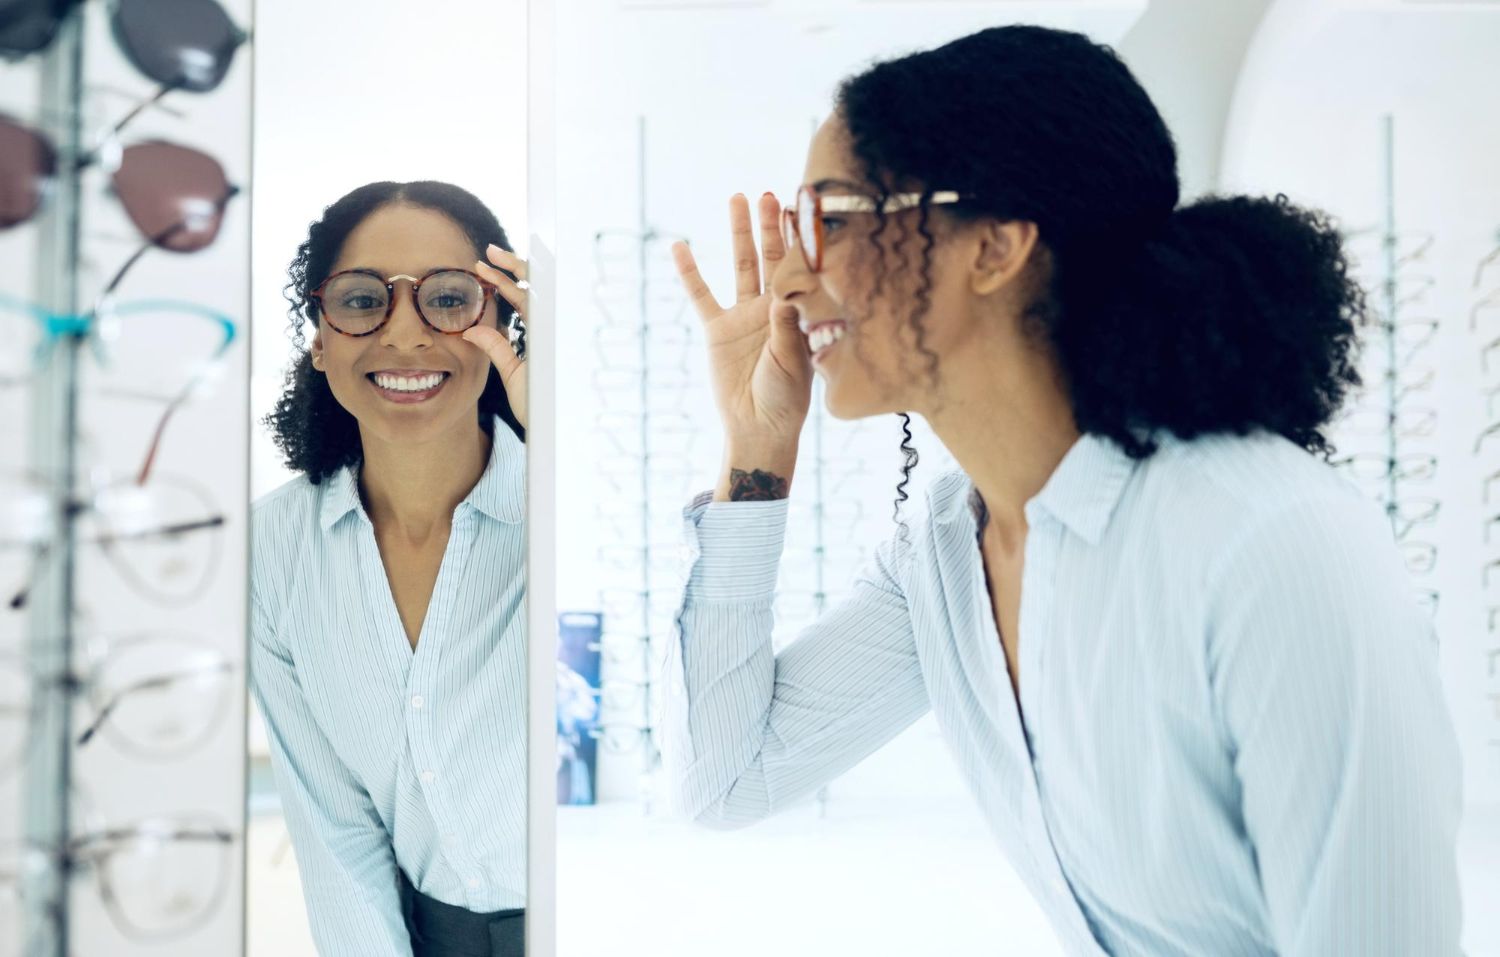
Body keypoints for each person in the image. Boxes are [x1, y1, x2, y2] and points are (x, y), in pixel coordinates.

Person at [662, 25, 1462, 956]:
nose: (790, 279)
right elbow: (724, 781)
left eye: (832, 220)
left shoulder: (1273, 545)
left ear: (995, 246)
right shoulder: (943, 555)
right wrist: (756, 453)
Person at [251, 181, 531, 957]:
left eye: (449, 299)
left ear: (506, 323)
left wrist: (559, 428)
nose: (405, 337)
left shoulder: (562, 509)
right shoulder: (272, 548)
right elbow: (334, 833)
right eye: (363, 298)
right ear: (319, 336)